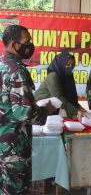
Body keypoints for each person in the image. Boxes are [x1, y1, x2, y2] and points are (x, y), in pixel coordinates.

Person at [0, 25, 55, 194]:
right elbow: (24, 113)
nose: (30, 45)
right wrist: (47, 111)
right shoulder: (17, 71)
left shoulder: (2, 65)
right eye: (27, 41)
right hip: (14, 146)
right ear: (13, 44)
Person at [34, 52, 85, 119]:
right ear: (60, 63)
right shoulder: (53, 76)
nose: (70, 67)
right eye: (67, 64)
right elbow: (58, 97)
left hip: (52, 107)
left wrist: (78, 107)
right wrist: (76, 111)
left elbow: (70, 96)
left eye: (72, 65)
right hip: (39, 108)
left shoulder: (68, 76)